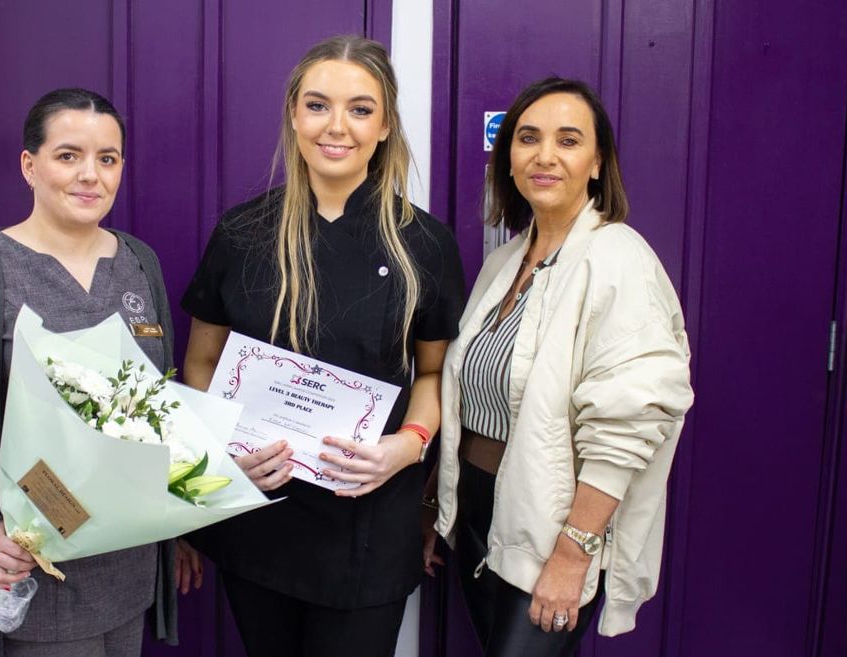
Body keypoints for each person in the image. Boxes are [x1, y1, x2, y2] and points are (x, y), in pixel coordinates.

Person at [176, 35, 466, 657]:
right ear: (293, 114)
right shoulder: (242, 232)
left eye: (361, 109)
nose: (338, 126)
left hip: (370, 524)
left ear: (385, 125)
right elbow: (200, 361)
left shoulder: (426, 244)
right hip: (258, 517)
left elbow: (435, 374)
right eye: (318, 105)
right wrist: (223, 452)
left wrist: (407, 448)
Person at [424, 77, 694, 656]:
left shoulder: (620, 260)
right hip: (478, 511)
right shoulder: (505, 261)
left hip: (553, 527)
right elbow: (470, 402)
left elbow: (626, 428)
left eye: (568, 140)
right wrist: (438, 507)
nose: (545, 155)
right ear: (510, 159)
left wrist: (574, 553)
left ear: (597, 163)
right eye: (528, 139)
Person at [0, 88, 176, 657]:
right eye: (68, 155)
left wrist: (214, 476)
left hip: (129, 574)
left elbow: (161, 414)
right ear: (30, 165)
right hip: (33, 579)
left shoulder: (138, 262)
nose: (90, 176)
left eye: (107, 159)